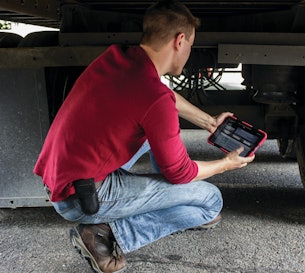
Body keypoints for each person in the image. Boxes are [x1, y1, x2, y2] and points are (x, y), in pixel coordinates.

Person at [33, 1, 255, 272]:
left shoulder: (117, 59)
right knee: (209, 203)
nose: (189, 52)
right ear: (180, 40)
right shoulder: (153, 98)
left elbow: (164, 96)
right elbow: (181, 172)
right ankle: (105, 233)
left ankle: (158, 197)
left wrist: (209, 122)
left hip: (62, 179)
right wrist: (227, 164)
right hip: (80, 198)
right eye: (191, 45)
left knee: (159, 143)